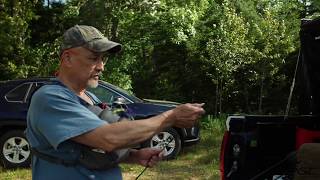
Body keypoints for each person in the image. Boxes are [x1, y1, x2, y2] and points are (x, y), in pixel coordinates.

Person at [26, 25, 205, 180]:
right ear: (67, 58)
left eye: (103, 59)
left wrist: (135, 156)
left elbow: (86, 147)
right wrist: (170, 117)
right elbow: (107, 138)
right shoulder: (49, 98)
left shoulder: (90, 97)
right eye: (93, 58)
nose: (101, 66)